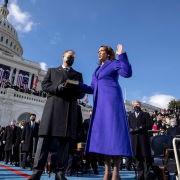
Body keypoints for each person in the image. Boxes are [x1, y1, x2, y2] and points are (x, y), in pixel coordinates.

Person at [78, 44, 133, 180]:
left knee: (115, 135)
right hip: (100, 105)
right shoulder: (96, 71)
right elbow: (91, 88)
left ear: (108, 53)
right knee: (106, 137)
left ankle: (116, 172)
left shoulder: (114, 63)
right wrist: (77, 84)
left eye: (101, 51)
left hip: (112, 102)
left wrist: (121, 55)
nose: (99, 53)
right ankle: (107, 172)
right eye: (98, 51)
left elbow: (127, 73)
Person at [28, 50, 85, 180]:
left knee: (64, 144)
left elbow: (82, 93)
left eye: (73, 57)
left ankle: (60, 173)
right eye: (69, 56)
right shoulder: (52, 71)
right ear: (63, 57)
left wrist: (73, 90)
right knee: (44, 142)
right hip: (52, 109)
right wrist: (58, 88)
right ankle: (37, 172)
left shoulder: (78, 74)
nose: (71, 59)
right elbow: (44, 86)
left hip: (68, 110)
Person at [128, 100, 153, 180]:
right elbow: (128, 125)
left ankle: (147, 176)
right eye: (135, 104)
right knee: (138, 159)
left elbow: (150, 125)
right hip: (134, 139)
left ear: (140, 106)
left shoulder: (145, 114)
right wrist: (130, 129)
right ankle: (140, 176)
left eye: (138, 104)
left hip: (143, 139)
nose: (136, 105)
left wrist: (142, 128)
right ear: (133, 106)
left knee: (145, 158)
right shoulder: (130, 115)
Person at [82, 110, 99, 174]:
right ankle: (86, 169)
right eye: (90, 114)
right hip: (87, 140)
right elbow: (84, 129)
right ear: (89, 114)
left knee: (94, 156)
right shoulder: (86, 121)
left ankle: (95, 169)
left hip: (94, 141)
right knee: (87, 156)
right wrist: (87, 133)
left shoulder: (96, 121)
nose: (91, 115)